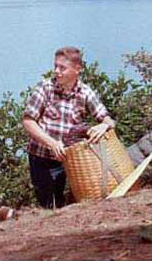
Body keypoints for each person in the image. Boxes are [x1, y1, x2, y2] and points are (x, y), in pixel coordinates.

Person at [22, 46, 116, 209]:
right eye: (55, 66)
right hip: (41, 159)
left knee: (73, 204)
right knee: (49, 205)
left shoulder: (85, 93)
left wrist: (103, 126)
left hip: (70, 161)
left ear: (77, 69)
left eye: (62, 68)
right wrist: (51, 143)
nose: (57, 71)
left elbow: (109, 121)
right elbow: (28, 121)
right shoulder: (45, 88)